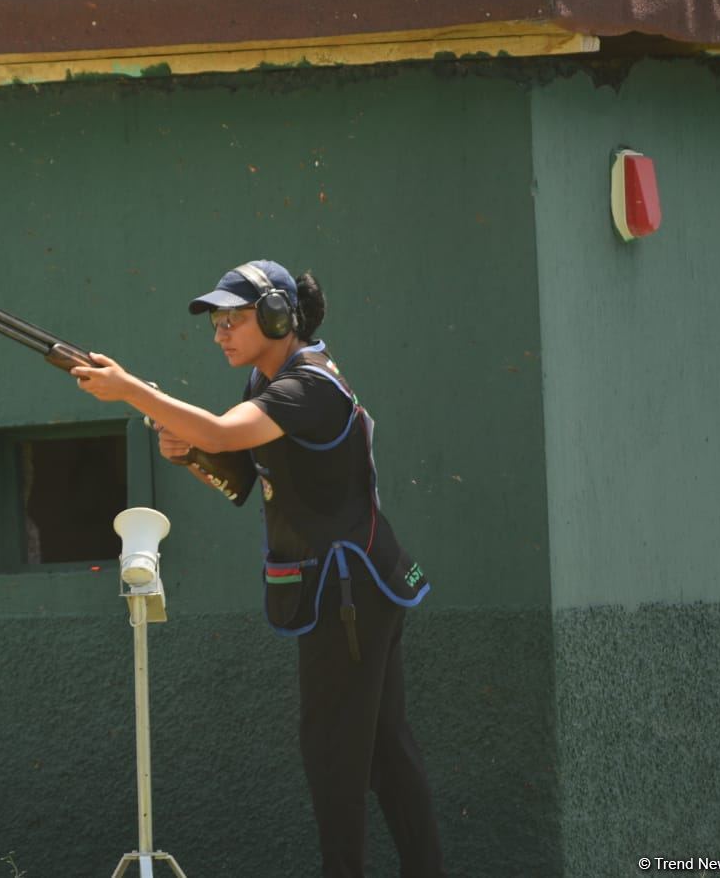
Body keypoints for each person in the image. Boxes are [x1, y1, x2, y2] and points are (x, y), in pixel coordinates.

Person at [71, 258, 445, 878]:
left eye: (233, 318)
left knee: (336, 758)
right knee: (382, 750)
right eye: (216, 320)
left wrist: (132, 390)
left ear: (278, 316)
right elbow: (241, 476)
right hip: (356, 586)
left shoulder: (308, 386)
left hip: (344, 591)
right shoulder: (273, 384)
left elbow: (222, 433)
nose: (220, 331)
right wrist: (191, 450)